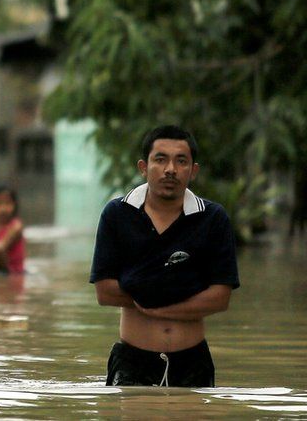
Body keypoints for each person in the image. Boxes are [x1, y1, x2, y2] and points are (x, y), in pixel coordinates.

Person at [90, 125, 240, 387]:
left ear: (193, 170)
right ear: (143, 167)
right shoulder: (117, 214)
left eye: (181, 161)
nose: (170, 169)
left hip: (193, 361)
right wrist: (178, 291)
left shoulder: (212, 218)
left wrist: (153, 305)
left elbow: (220, 298)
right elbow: (105, 292)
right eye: (160, 159)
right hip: (132, 361)